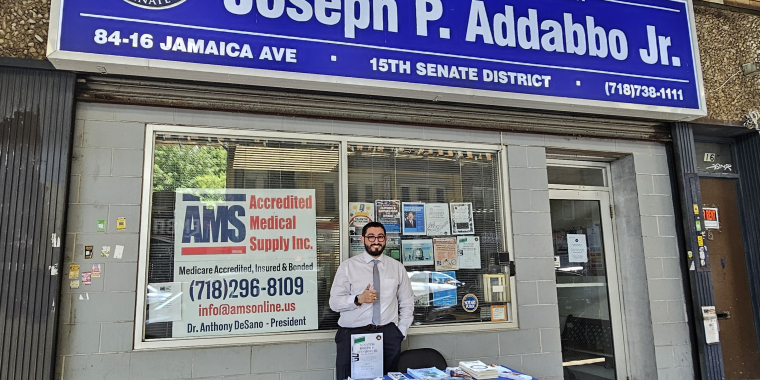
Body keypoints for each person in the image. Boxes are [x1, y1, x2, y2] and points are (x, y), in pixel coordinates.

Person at [330, 222, 414, 380]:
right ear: (362, 239)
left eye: (380, 237)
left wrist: (400, 332)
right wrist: (358, 299)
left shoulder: (397, 268)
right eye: (371, 237)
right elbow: (334, 303)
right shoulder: (347, 267)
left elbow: (407, 303)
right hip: (353, 334)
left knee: (387, 377)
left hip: (387, 335)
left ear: (385, 239)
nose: (376, 241)